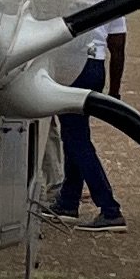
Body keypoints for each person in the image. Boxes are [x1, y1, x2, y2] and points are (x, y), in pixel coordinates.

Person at [47, 18, 127, 231]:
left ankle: (109, 209)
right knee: (74, 134)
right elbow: (118, 48)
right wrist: (115, 92)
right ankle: (68, 201)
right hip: (95, 68)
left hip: (72, 67)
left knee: (76, 138)